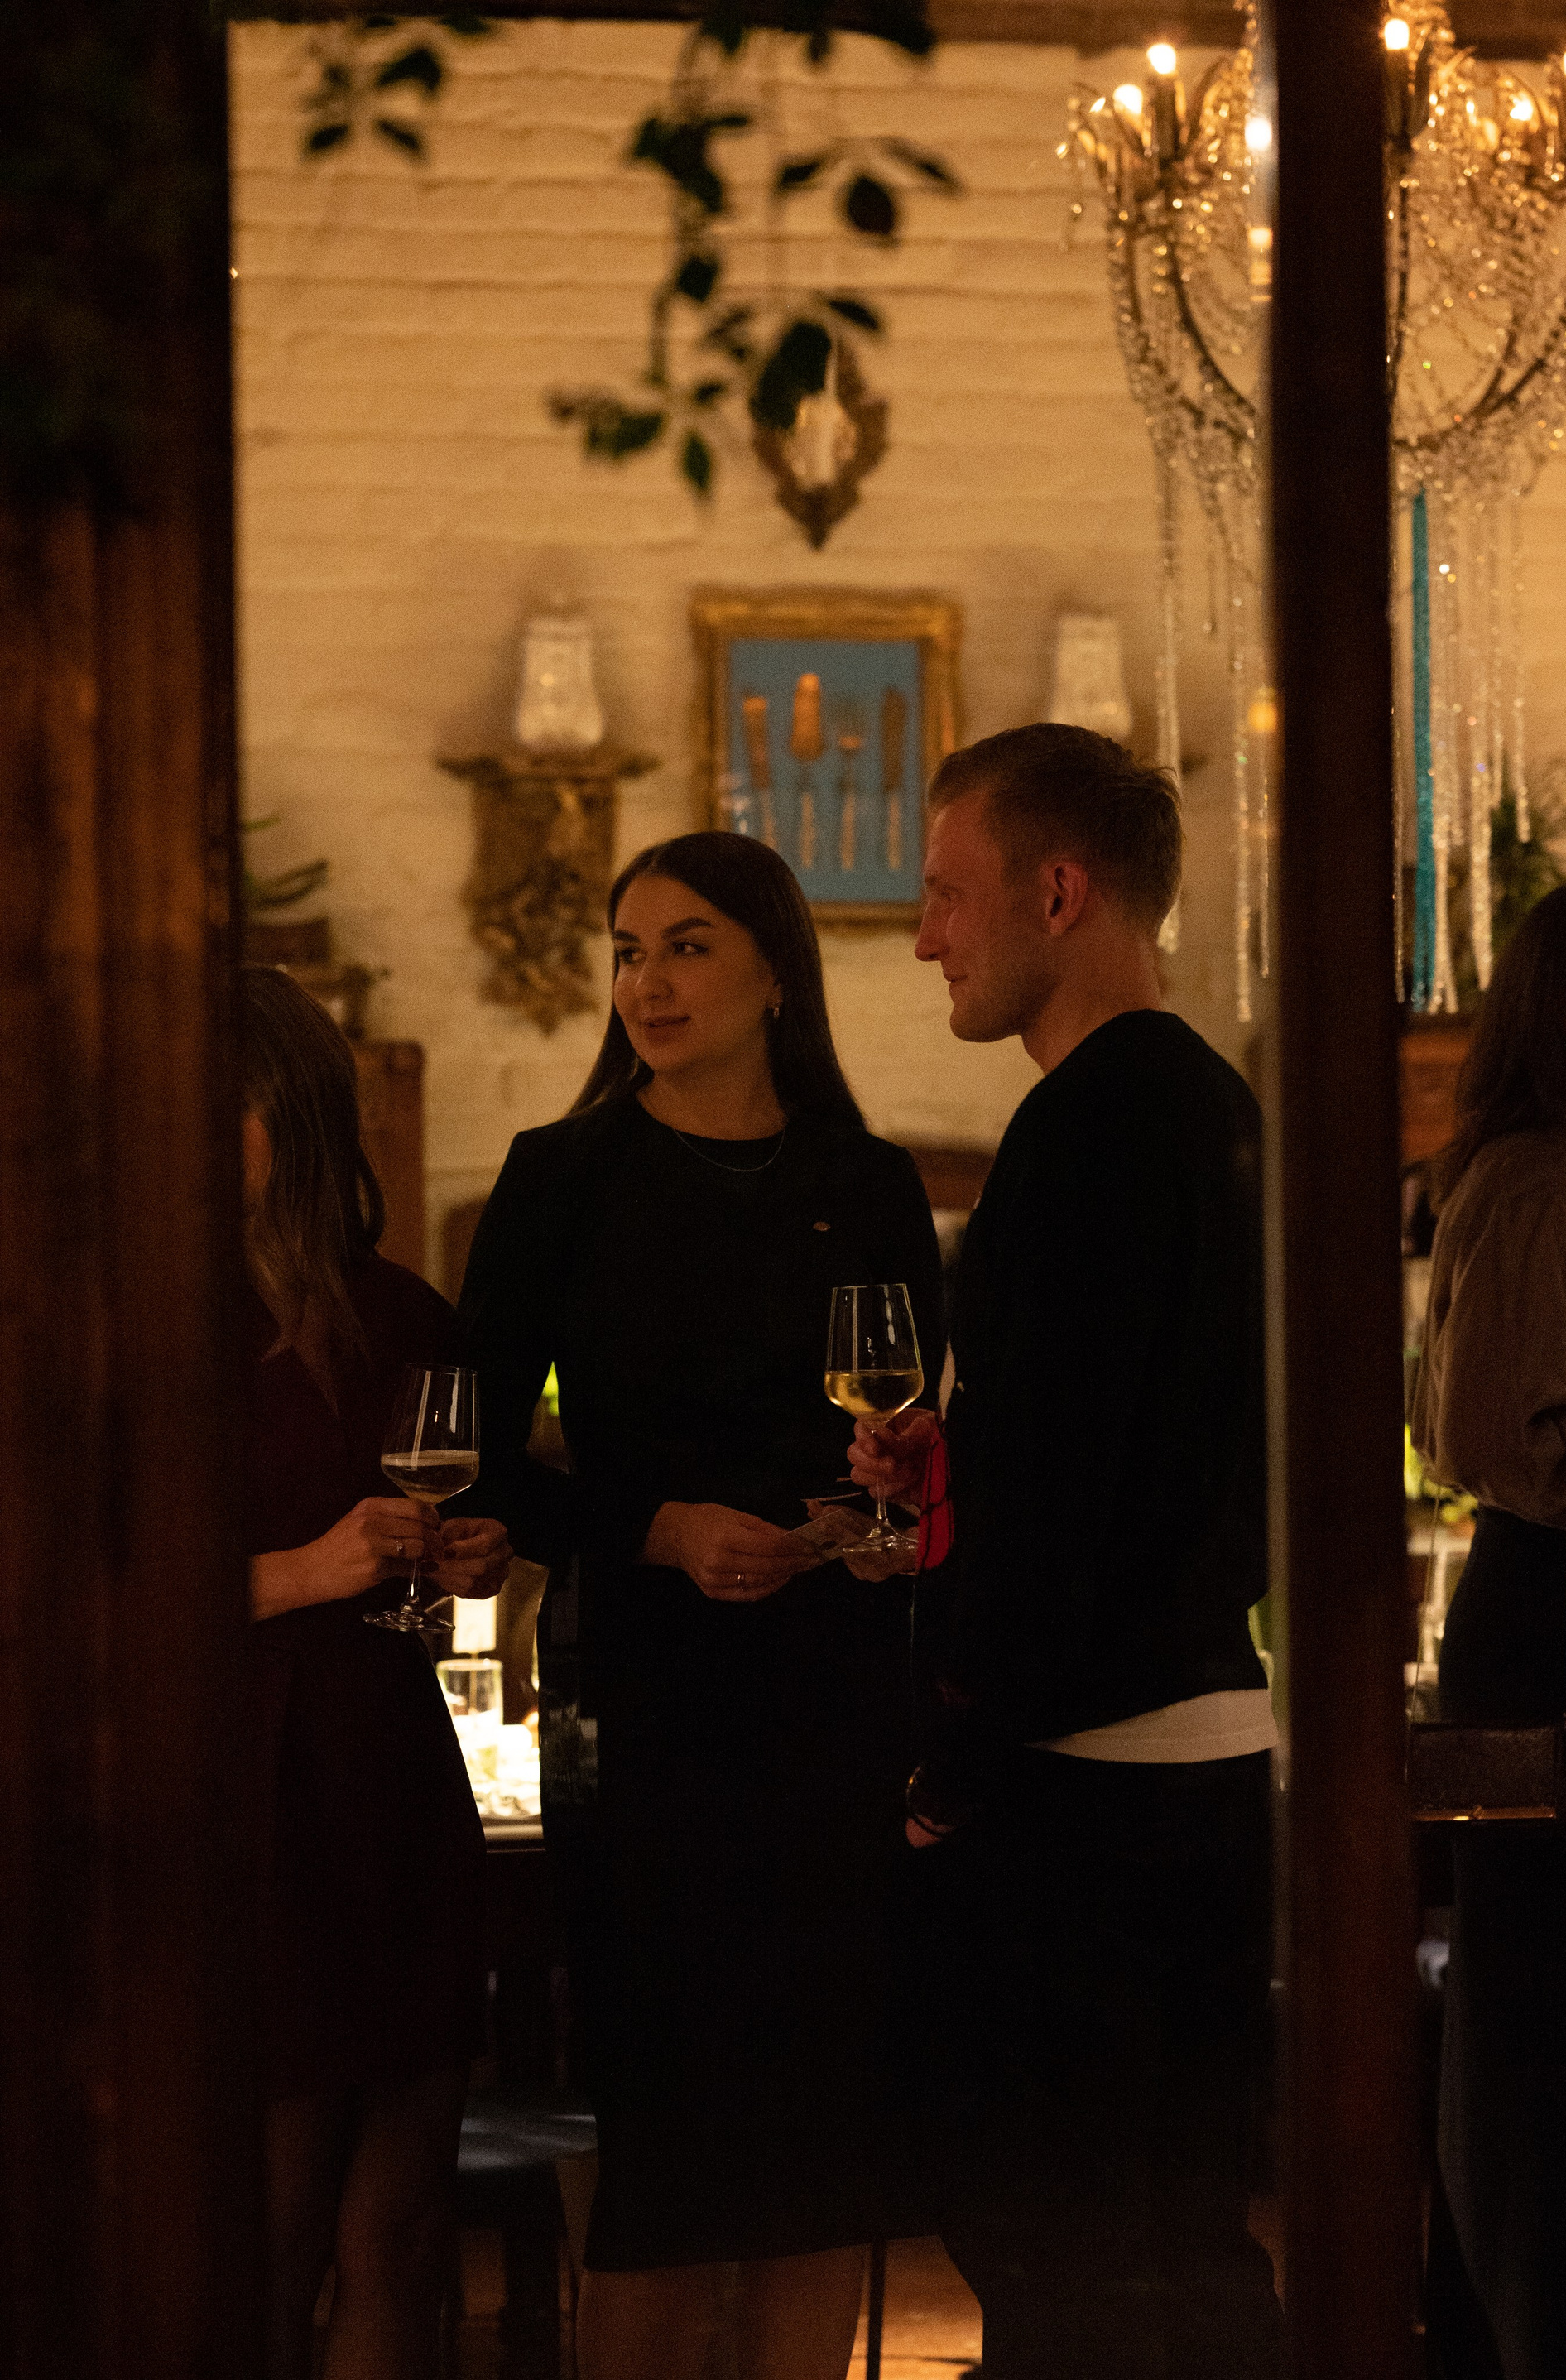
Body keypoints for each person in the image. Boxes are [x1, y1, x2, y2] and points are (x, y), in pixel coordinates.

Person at [457, 831, 944, 2380]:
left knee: (818, 2159)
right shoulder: (562, 1178)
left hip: (834, 1704)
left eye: (685, 946)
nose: (646, 983)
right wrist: (661, 1530)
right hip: (649, 1708)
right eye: (627, 950)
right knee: (663, 2166)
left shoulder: (867, 1184)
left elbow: (915, 1462)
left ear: (774, 971)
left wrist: (873, 1523)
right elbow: (471, 1463)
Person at [850, 724, 1286, 2380]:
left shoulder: (1083, 1130)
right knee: (1187, 2244)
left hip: (1087, 1782)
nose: (925, 938)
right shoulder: (1221, 1110)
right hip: (1218, 1752)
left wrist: (949, 1764)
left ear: (1057, 891)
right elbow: (1166, 1437)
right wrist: (956, 1457)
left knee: (1059, 2261)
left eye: (946, 894)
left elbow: (1066, 1507)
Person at [239, 965, 512, 2380]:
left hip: (391, 1789)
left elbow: (449, 1543)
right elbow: (89, 1592)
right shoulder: (132, 1317)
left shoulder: (401, 1317)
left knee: (399, 2234)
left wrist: (470, 1558)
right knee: (268, 2239)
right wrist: (306, 1569)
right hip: (242, 1801)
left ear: (293, 1110)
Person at [1410, 884, 1566, 2380]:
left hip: (1550, 1605)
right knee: (1544, 2022)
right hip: (1554, 1621)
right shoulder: (1540, 1184)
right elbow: (1488, 1433)